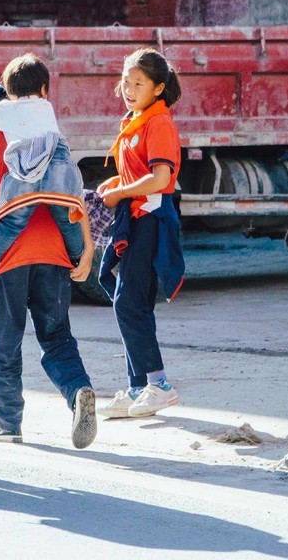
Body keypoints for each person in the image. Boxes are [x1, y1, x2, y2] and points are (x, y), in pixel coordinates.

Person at [0, 54, 98, 449]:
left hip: (8, 257)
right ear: (44, 92)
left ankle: (7, 423)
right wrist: (86, 249)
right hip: (55, 250)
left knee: (4, 339)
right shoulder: (52, 133)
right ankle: (78, 392)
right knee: (57, 336)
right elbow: (72, 192)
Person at [96, 47, 186, 419]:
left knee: (129, 301)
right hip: (133, 217)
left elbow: (161, 178)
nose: (129, 89)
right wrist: (115, 184)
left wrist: (120, 192)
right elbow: (138, 175)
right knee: (129, 299)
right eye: (126, 82)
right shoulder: (134, 120)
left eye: (138, 83)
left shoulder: (158, 123)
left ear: (159, 88)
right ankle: (137, 388)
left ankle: (159, 385)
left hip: (150, 218)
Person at [0, 58, 86, 278]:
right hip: (55, 175)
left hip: (26, 174)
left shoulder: (3, 111)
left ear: (9, 92)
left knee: (13, 222)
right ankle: (78, 255)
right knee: (66, 217)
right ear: (44, 89)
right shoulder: (46, 108)